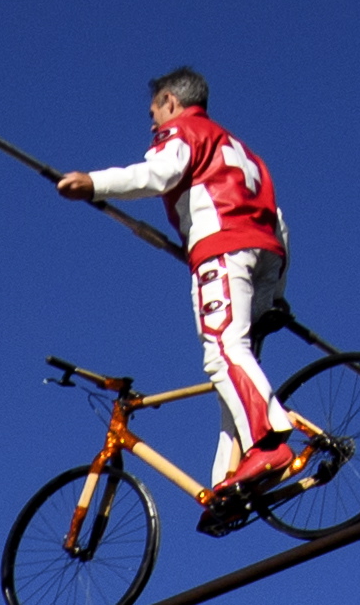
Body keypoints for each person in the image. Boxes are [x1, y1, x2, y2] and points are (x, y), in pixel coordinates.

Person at [56, 70, 302, 531]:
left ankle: (268, 444)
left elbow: (158, 173)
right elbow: (279, 218)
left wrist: (93, 183)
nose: (151, 125)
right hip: (267, 251)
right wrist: (278, 296)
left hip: (222, 247)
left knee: (222, 352)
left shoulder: (184, 131)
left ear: (170, 101)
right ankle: (232, 480)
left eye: (153, 114)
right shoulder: (241, 151)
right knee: (237, 365)